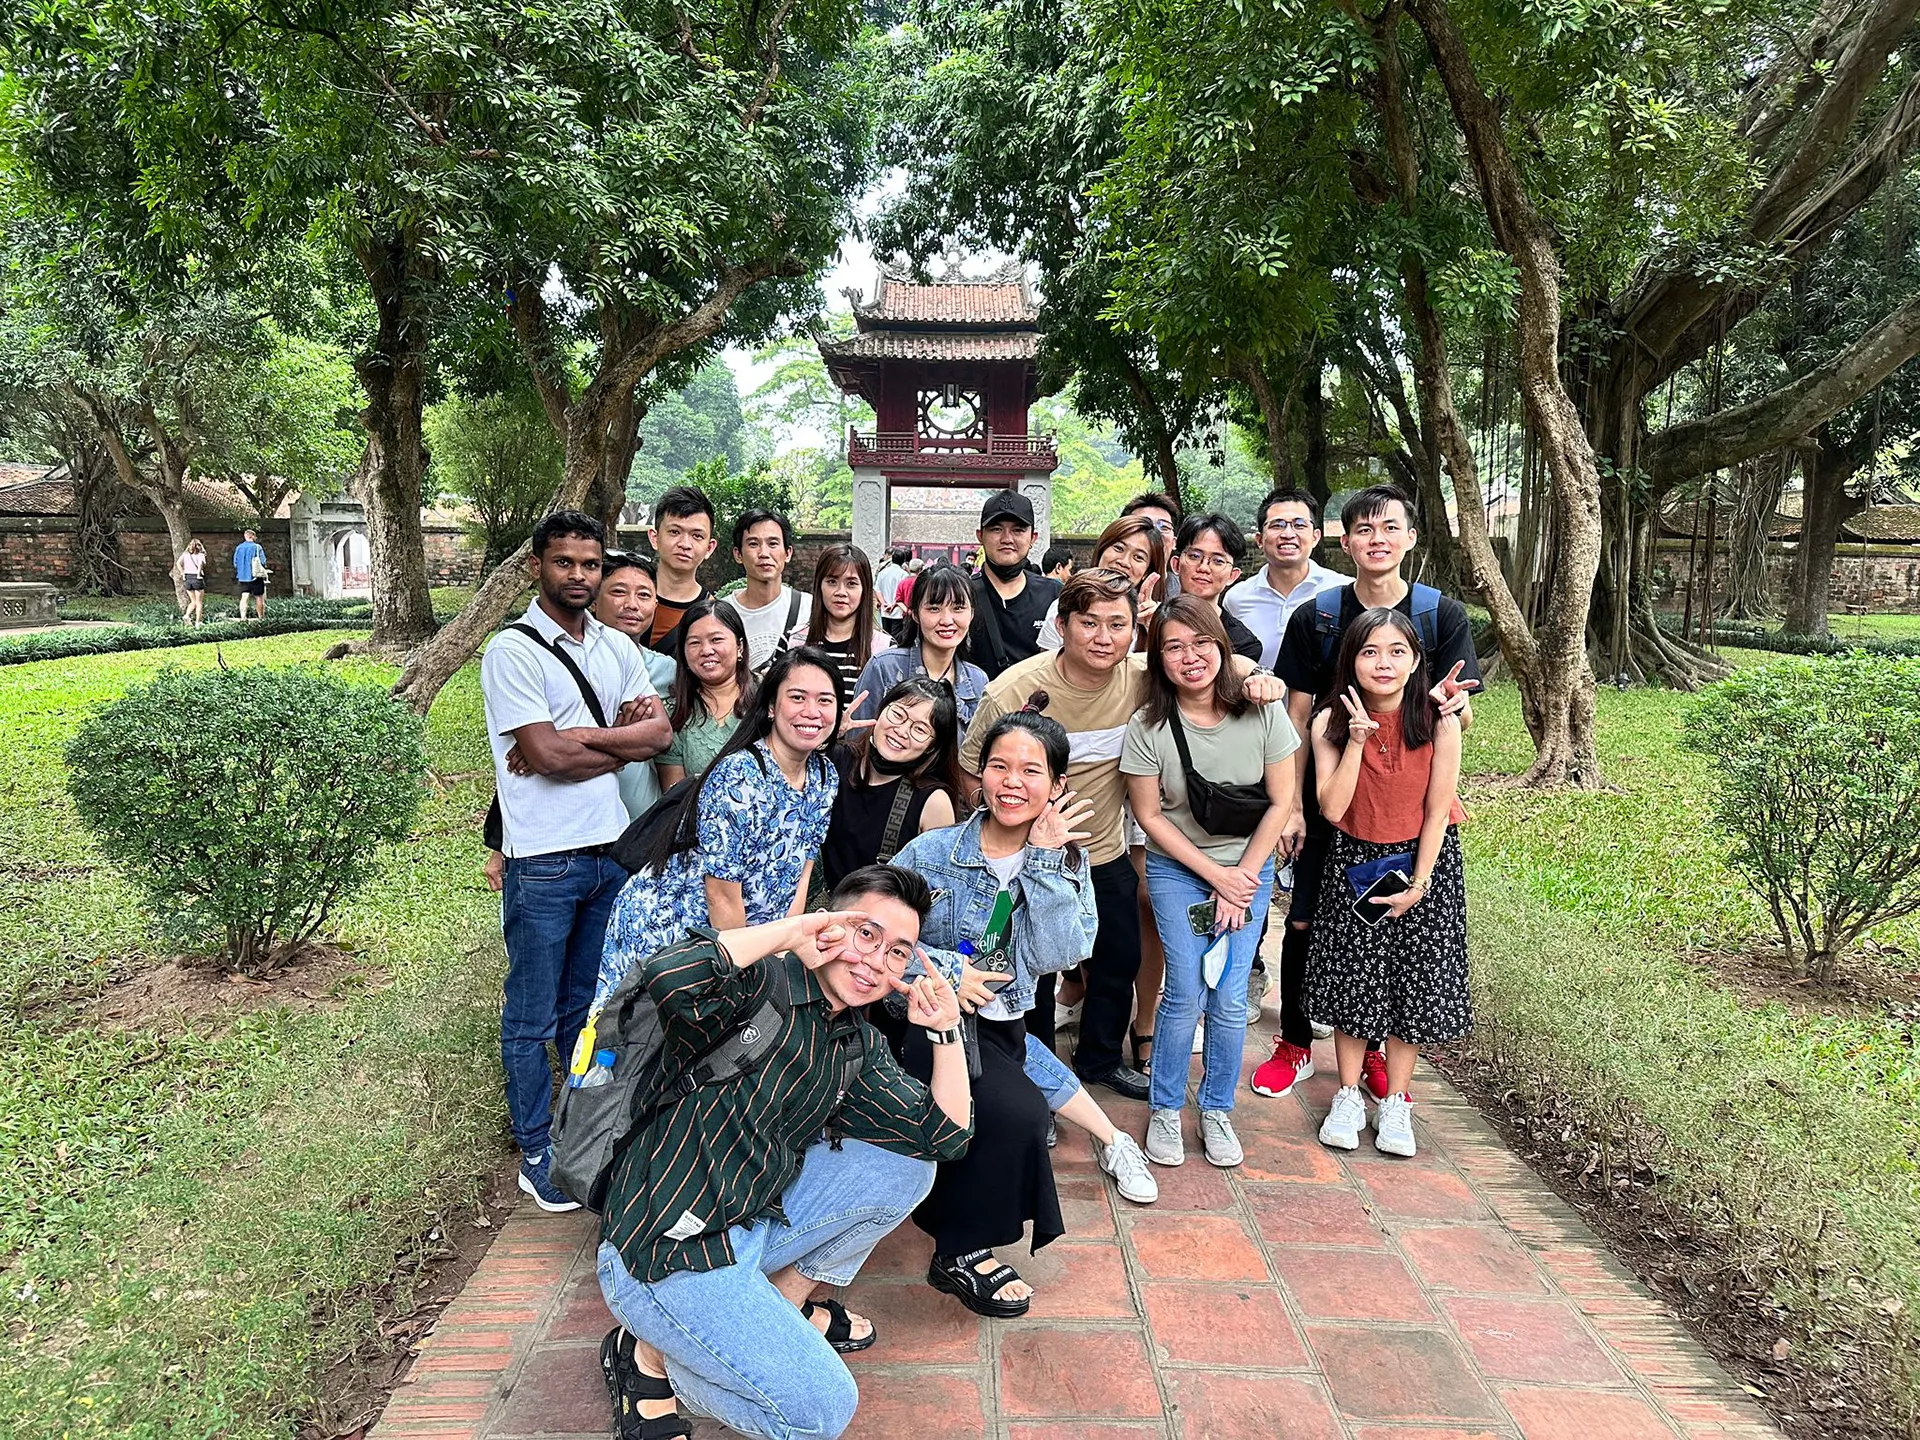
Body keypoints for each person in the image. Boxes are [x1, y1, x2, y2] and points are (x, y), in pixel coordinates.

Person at [595, 870, 972, 1440]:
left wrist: (946, 1032)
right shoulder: (757, 983)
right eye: (865, 934)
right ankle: (656, 1356)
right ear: (830, 923)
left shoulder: (855, 1043)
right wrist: (788, 930)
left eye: (897, 953)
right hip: (664, 1249)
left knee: (906, 1168)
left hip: (749, 1221)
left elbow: (944, 1136)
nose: (876, 962)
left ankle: (770, 1309)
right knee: (821, 1411)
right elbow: (667, 975)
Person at [962, 569, 1288, 1097]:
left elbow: (1215, 660)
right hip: (1022, 858)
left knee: (1119, 958)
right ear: (1062, 625)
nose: (1103, 637)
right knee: (1026, 965)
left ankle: (1097, 1061)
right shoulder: (1015, 689)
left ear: (1134, 631)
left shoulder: (1141, 677)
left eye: (1117, 624)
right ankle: (1031, 1077)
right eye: (1088, 623)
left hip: (1102, 851)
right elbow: (973, 768)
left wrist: (1260, 678)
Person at [893, 710, 1155, 1317]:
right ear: (979, 775)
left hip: (1007, 1020)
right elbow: (878, 934)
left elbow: (1062, 953)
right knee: (1017, 1113)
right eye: (999, 766)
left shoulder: (1066, 862)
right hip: (925, 1016)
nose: (1012, 782)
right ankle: (960, 1251)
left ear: (1058, 786)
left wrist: (1041, 861)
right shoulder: (932, 854)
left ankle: (961, 1230)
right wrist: (949, 975)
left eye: (1032, 770)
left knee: (1015, 1111)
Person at [1253, 484, 1481, 1104]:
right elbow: (1298, 715)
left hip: (1406, 805)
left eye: (1389, 528)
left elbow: (1460, 715)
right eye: (1363, 530)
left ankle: (1374, 1054)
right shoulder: (1319, 616)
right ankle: (1296, 1040)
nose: (1376, 540)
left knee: (1395, 931)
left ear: (1410, 538)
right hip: (1334, 792)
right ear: (1345, 541)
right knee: (1306, 918)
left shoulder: (1441, 616)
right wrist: (1295, 807)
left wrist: (1452, 712)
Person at [480, 510, 673, 1212]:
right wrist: (589, 743)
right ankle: (536, 1149)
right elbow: (546, 758)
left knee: (585, 1011)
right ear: (538, 565)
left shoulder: (615, 648)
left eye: (591, 565)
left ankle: (577, 1131)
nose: (580, 576)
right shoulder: (514, 651)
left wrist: (571, 740)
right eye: (566, 563)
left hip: (609, 853)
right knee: (531, 1015)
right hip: (544, 861)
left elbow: (655, 735)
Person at [1122, 596, 1298, 1169]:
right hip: (1179, 867)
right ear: (1158, 658)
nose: (1189, 657)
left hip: (1249, 865)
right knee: (1185, 989)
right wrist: (1216, 877)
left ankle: (1218, 1107)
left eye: (1201, 644)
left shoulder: (1263, 712)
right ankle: (1166, 1107)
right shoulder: (1147, 725)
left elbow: (1281, 801)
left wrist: (1241, 878)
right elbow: (1149, 817)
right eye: (1173, 647)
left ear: (1222, 649)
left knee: (1227, 996)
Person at [1307, 609, 1469, 1159]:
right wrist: (1356, 740)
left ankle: (1396, 1100)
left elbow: (1436, 809)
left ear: (1417, 660)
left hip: (1427, 863)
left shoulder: (1438, 719)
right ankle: (1348, 1095)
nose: (1384, 663)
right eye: (1370, 651)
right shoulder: (1329, 719)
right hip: (1355, 860)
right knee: (1356, 982)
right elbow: (1332, 807)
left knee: (1413, 987)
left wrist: (1420, 884)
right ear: (1351, 659)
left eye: (1397, 651)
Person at [597, 647, 843, 1002]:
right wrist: (746, 975)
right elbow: (722, 895)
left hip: (746, 940)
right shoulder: (739, 776)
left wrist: (784, 945)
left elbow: (802, 871)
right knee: (637, 1041)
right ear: (771, 707)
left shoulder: (823, 777)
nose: (811, 712)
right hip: (679, 932)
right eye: (797, 697)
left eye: (825, 700)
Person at [818, 677, 962, 894]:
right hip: (810, 909)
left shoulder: (932, 801)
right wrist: (824, 736)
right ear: (881, 709)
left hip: (875, 920)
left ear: (932, 748)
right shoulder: (835, 759)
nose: (902, 731)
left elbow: (935, 891)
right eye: (897, 715)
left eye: (920, 729)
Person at [850, 562, 990, 735]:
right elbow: (856, 743)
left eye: (958, 608)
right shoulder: (884, 669)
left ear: (972, 613)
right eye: (934, 608)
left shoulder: (977, 681)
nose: (946, 620)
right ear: (915, 613)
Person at [1224, 489, 1345, 670]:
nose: (1288, 534)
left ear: (1315, 537)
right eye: (1277, 525)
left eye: (1299, 525)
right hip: (1255, 698)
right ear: (1259, 539)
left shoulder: (1341, 590)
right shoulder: (1237, 598)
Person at [596, 554, 678, 818]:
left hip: (644, 826)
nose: (631, 605)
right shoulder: (567, 667)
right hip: (579, 824)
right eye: (619, 592)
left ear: (655, 604)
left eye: (643, 595)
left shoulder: (670, 672)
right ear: (594, 600)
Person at [1036, 513, 1166, 652]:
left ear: (1146, 571)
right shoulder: (1064, 605)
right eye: (1119, 548)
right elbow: (1047, 665)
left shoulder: (1157, 616)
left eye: (1138, 557)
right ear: (1102, 549)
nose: (1123, 562)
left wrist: (1155, 631)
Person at [966, 492, 1061, 679]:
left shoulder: (1055, 595)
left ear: (1033, 537)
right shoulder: (961, 595)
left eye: (1018, 530)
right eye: (996, 529)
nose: (1007, 539)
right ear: (980, 536)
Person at [656, 600, 750, 789]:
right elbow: (675, 796)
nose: (706, 650)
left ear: (740, 646)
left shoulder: (769, 697)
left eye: (716, 640)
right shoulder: (674, 714)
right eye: (694, 643)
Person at [722, 509, 811, 672]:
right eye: (753, 544)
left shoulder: (810, 608)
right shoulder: (723, 613)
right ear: (738, 554)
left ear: (788, 553)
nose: (764, 553)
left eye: (773, 544)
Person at [787, 543, 878, 703]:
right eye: (832, 581)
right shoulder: (792, 640)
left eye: (851, 584)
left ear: (865, 590)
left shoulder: (883, 649)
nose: (841, 592)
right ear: (819, 585)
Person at [1170, 513, 1264, 663]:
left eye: (1218, 561)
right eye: (1194, 556)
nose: (1204, 568)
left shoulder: (1242, 643)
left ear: (1232, 576)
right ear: (1175, 564)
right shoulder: (1153, 620)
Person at [646, 486, 717, 656]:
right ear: (654, 538)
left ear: (709, 548)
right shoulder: (623, 598)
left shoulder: (712, 614)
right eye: (675, 532)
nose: (685, 544)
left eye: (697, 536)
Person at [875, 545, 912, 643]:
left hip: (885, 611)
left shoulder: (882, 573)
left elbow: (877, 590)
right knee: (895, 639)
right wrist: (893, 605)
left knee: (885, 637)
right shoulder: (903, 575)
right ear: (903, 561)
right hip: (897, 612)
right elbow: (902, 595)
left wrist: (884, 604)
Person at [233, 529, 268, 619]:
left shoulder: (239, 547)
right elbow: (263, 561)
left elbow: (235, 563)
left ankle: (243, 617)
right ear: (251, 536)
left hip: (243, 576)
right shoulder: (257, 547)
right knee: (259, 597)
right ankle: (261, 617)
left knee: (244, 596)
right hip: (255, 576)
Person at [178, 539, 207, 626]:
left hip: (188, 578)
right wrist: (199, 571)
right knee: (199, 602)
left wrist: (182, 573)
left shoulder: (185, 555)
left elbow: (178, 563)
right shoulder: (201, 555)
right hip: (197, 578)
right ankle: (198, 622)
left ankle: (187, 615)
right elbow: (202, 564)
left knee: (193, 601)